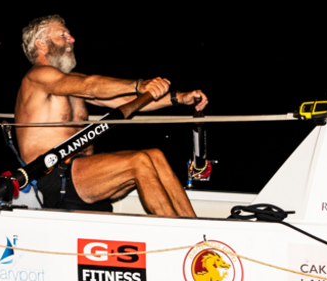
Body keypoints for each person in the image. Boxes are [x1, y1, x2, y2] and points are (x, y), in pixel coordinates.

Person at [14, 14, 207, 217]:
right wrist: (139, 85)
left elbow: (126, 102)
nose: (72, 39)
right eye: (63, 34)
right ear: (41, 44)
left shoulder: (68, 81)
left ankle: (198, 231)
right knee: (139, 161)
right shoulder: (36, 77)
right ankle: (179, 236)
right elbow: (91, 87)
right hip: (53, 177)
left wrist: (180, 98)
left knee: (155, 156)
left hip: (81, 174)